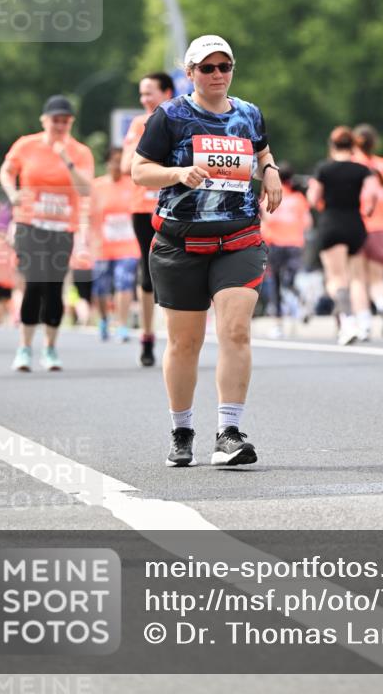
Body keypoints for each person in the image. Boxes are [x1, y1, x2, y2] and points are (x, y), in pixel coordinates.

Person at [131, 35, 281, 468]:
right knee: (185, 342)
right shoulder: (170, 115)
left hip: (238, 239)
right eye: (207, 68)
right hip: (180, 243)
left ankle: (229, 433)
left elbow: (261, 149)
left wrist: (270, 170)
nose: (217, 75)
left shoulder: (248, 113)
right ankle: (182, 431)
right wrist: (178, 173)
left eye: (224, 67)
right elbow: (139, 171)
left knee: (235, 331)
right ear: (190, 72)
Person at [0, 95, 94, 372]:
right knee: (34, 281)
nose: (60, 126)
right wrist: (12, 193)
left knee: (54, 287)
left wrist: (66, 159)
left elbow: (85, 190)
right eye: (55, 120)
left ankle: (50, 348)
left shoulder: (80, 152)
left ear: (71, 123)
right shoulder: (26, 145)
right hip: (30, 223)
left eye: (65, 121)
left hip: (62, 227)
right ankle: (24, 347)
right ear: (44, 120)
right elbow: (6, 172)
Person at [306, 127, 380, 346]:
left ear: (332, 145)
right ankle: (364, 322)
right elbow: (374, 192)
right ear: (353, 145)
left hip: (332, 223)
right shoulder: (362, 169)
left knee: (336, 278)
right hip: (355, 223)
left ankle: (347, 322)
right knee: (357, 277)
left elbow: (313, 198)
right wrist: (369, 209)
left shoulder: (324, 169)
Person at [121, 72, 174, 366]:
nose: (144, 99)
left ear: (167, 93)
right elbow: (127, 164)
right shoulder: (138, 123)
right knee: (148, 270)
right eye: (141, 94)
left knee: (178, 270)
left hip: (176, 204)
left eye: (149, 93)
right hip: (144, 207)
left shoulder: (182, 118)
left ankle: (179, 336)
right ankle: (147, 335)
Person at [91, 147, 140, 342]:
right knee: (101, 288)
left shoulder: (133, 184)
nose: (118, 165)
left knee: (124, 282)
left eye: (121, 161)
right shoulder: (97, 186)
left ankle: (122, 325)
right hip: (103, 245)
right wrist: (90, 240)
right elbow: (89, 215)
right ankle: (104, 319)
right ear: (107, 163)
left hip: (128, 245)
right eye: (114, 161)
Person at [353, 124, 383, 338]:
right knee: (377, 278)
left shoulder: (352, 165)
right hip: (381, 227)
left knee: (358, 279)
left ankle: (364, 324)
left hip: (356, 226)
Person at [260, 162, 312, 337]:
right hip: (295, 244)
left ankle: (278, 324)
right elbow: (308, 223)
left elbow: (265, 221)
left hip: (274, 243)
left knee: (275, 284)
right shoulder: (299, 199)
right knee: (289, 282)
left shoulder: (268, 197)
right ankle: (300, 300)